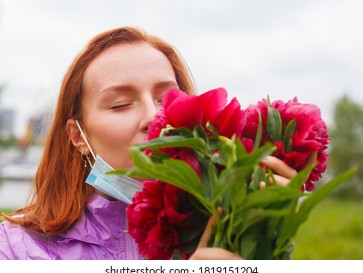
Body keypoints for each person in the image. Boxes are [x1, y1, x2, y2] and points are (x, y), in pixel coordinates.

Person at [0, 26, 299, 260]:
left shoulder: (225, 229)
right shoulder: (14, 250)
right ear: (79, 136)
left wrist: (266, 235)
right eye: (120, 104)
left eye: (166, 98)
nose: (153, 117)